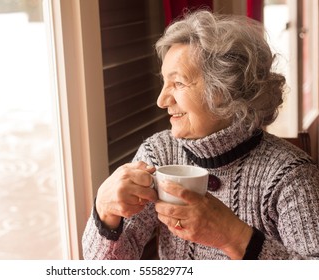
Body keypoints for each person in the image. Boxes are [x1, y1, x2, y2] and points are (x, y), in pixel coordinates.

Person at [82, 10, 319, 260]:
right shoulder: (159, 153)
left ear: (226, 89)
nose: (161, 100)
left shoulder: (291, 175)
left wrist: (234, 236)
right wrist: (106, 214)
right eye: (164, 82)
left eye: (179, 83)